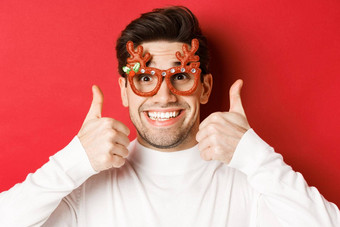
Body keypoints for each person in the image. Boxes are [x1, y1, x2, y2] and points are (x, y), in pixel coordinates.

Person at [0, 6, 339, 227]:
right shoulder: (84, 184)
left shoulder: (251, 183)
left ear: (204, 88)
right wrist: (70, 162)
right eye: (145, 78)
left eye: (180, 76)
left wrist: (256, 158)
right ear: (124, 90)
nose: (163, 95)